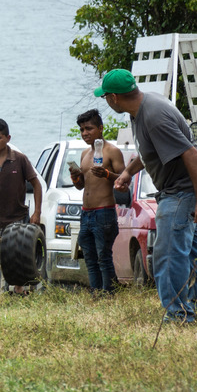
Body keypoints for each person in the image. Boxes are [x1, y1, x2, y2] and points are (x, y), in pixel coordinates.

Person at [99, 69, 197, 323]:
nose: (107, 102)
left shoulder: (153, 116)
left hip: (182, 190)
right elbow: (148, 152)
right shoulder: (141, 110)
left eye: (106, 98)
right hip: (179, 188)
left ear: (114, 98)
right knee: (192, 250)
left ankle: (178, 314)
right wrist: (127, 174)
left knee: (168, 252)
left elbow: (189, 153)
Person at [0, 118, 42, 295]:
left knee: (17, 260)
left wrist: (37, 212)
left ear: (8, 138)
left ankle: (19, 291)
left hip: (16, 221)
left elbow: (37, 185)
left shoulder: (20, 160)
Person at [70, 109, 126, 294]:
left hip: (104, 211)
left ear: (101, 128)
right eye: (82, 129)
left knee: (103, 256)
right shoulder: (85, 153)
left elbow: (124, 180)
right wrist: (75, 177)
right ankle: (96, 294)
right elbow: (81, 186)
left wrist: (107, 173)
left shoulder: (112, 151)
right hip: (86, 213)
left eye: (89, 128)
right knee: (89, 257)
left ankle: (109, 294)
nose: (85, 133)